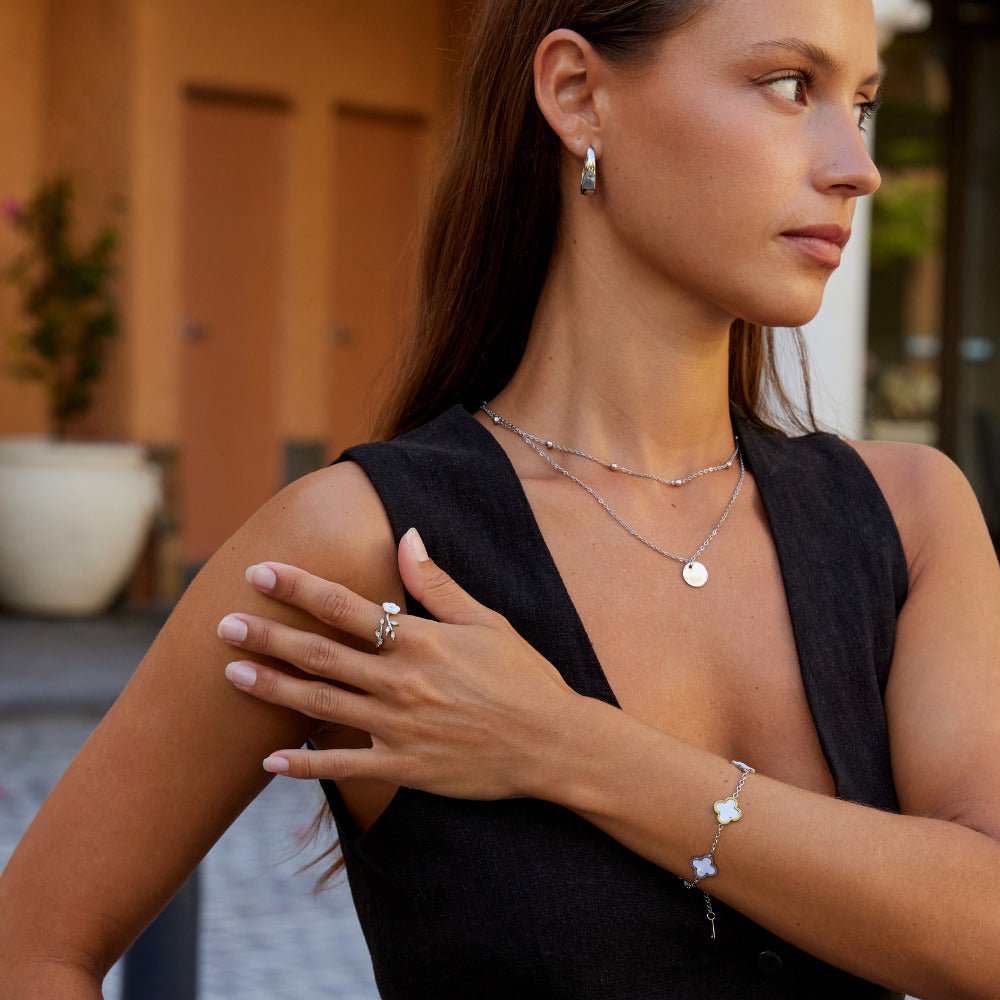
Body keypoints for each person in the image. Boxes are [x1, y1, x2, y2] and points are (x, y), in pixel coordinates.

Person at [2, 0, 998, 996]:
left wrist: (566, 745)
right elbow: (31, 951)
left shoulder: (908, 518)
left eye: (859, 102)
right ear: (576, 94)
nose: (856, 164)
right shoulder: (360, 545)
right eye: (789, 85)